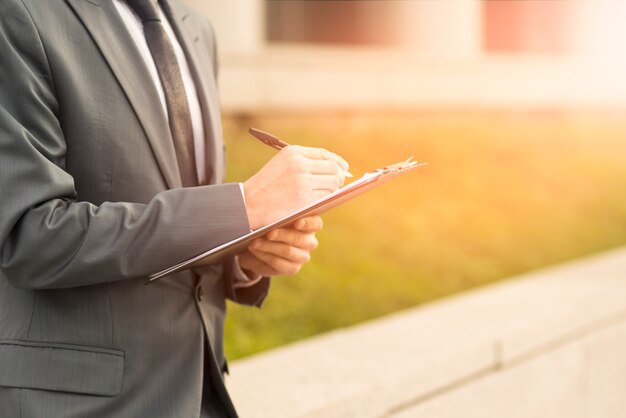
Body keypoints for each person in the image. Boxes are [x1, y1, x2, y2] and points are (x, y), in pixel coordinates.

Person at [0, 0, 348, 417]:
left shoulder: (196, 28)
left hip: (203, 391)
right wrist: (243, 204)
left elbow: (188, 206)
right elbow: (29, 236)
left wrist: (244, 252)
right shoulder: (20, 13)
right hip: (88, 404)